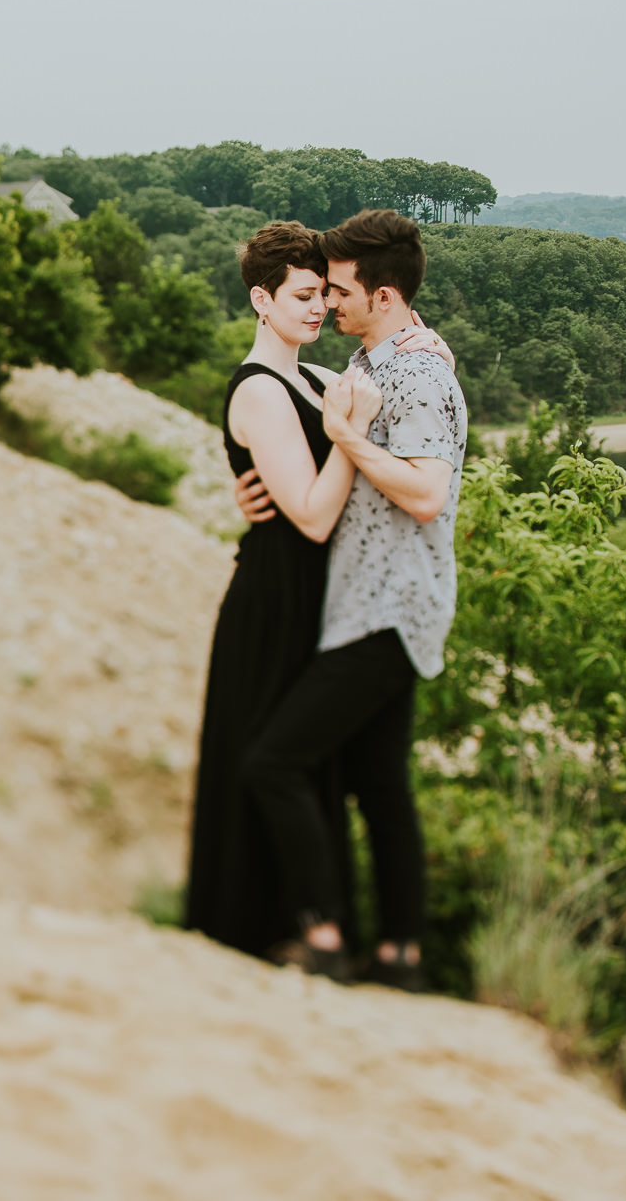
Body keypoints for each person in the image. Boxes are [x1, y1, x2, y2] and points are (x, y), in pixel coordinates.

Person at [183, 220, 450, 959]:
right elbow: (308, 514)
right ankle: (294, 928)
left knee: (314, 766)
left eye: (323, 293)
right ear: (261, 301)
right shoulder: (261, 390)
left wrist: (429, 343)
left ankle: (324, 926)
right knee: (270, 758)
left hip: (321, 596)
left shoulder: (316, 378)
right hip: (275, 598)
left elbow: (384, 385)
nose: (317, 308)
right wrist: (347, 437)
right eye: (302, 295)